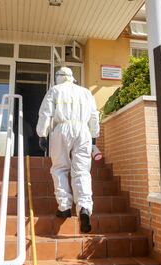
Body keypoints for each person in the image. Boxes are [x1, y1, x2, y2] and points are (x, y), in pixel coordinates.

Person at [36, 67, 100, 233]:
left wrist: (42, 134)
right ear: (72, 78)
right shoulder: (86, 92)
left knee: (60, 168)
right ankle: (84, 207)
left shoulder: (55, 90)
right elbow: (94, 115)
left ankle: (64, 206)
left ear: (58, 77)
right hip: (83, 131)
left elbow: (45, 113)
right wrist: (94, 136)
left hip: (62, 130)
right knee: (82, 171)